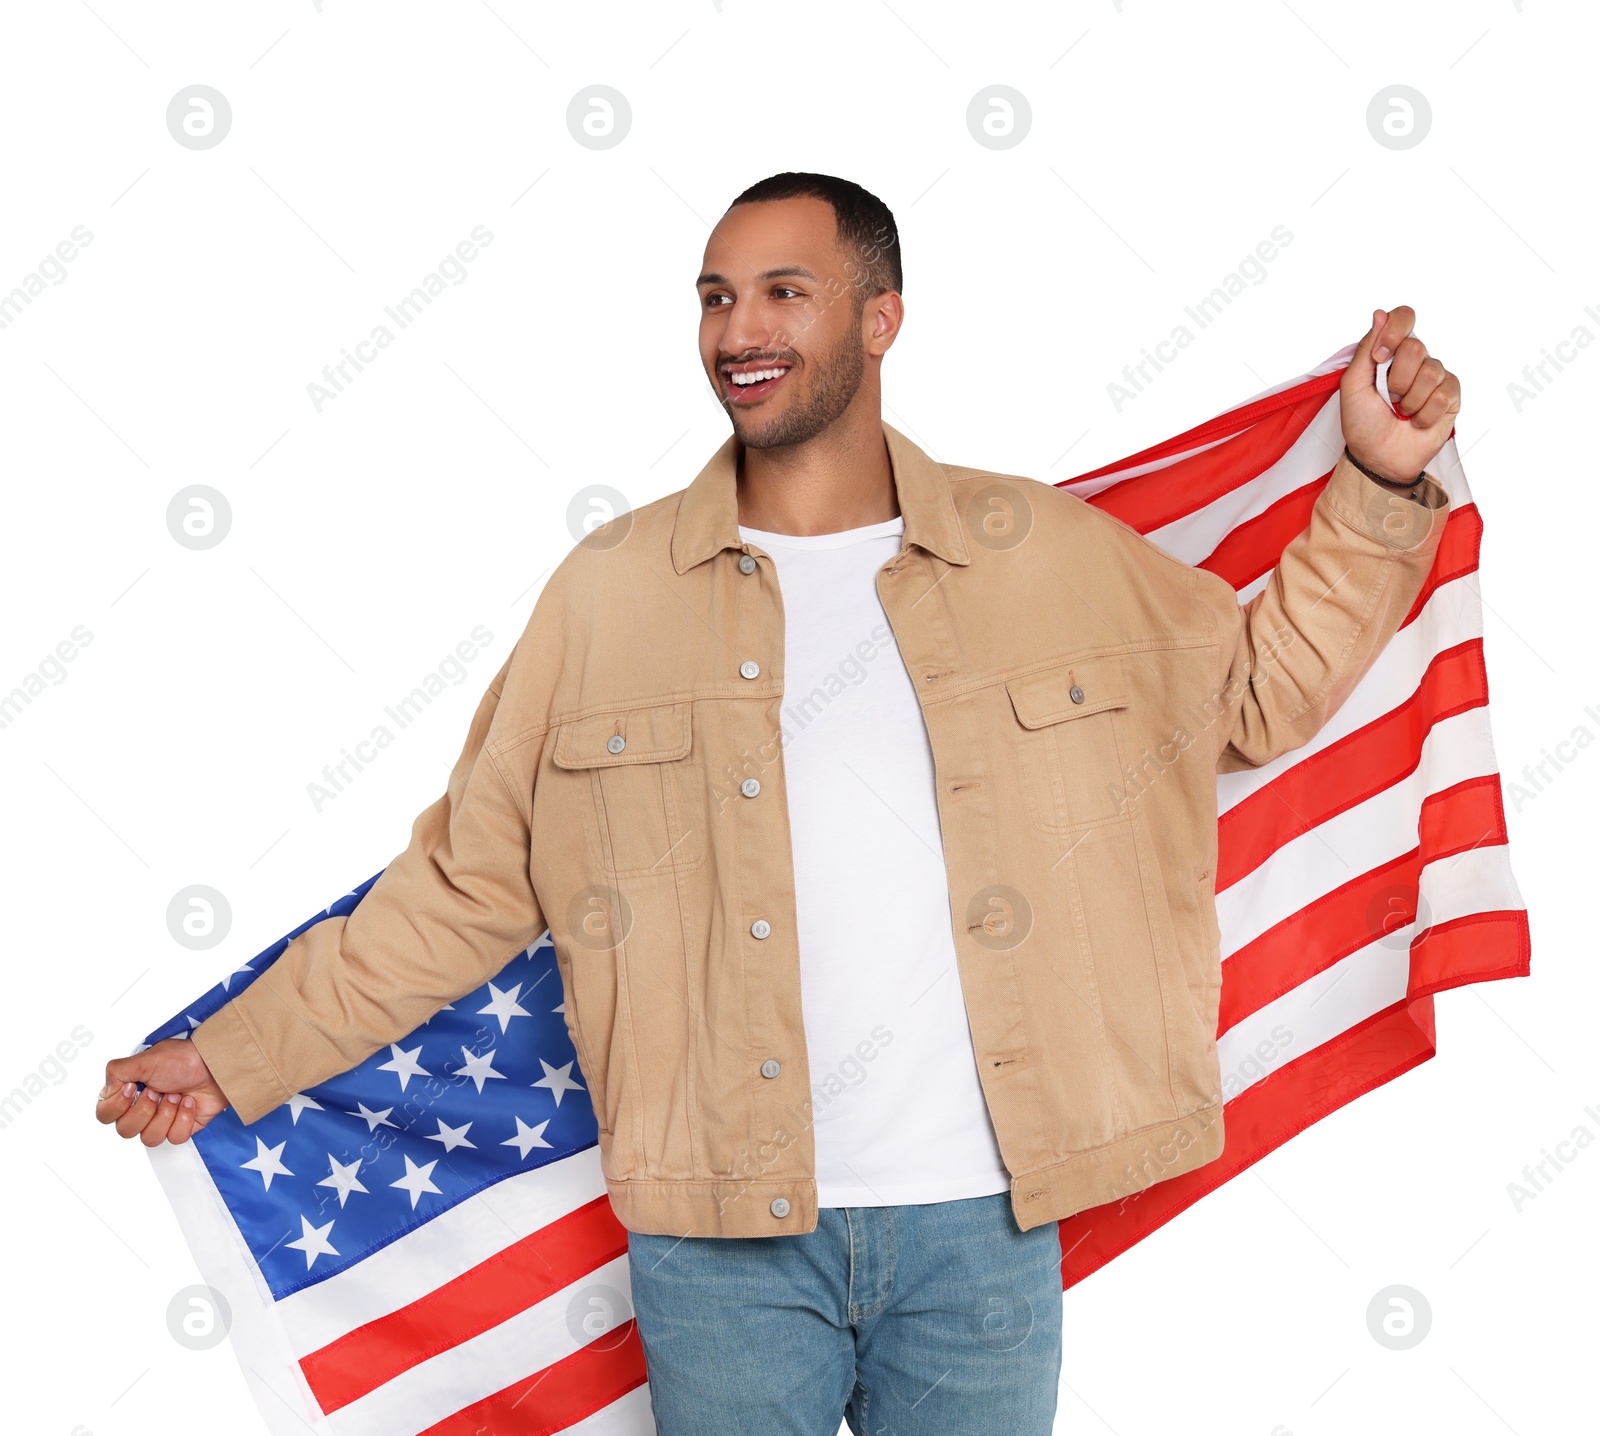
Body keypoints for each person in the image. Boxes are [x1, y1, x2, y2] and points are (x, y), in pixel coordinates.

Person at [96, 172, 1458, 1434]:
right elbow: (464, 887)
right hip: (722, 1245)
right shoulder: (609, 593)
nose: (737, 328)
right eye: (715, 295)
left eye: (782, 292)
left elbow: (1257, 698)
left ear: (882, 316)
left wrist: (1380, 478)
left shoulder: (1040, 551)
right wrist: (236, 1053)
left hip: (983, 1230)